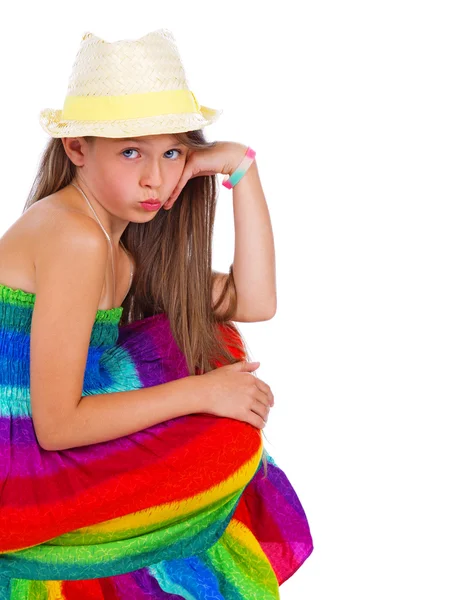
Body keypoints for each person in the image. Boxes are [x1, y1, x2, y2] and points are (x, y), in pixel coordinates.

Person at [0, 29, 313, 598]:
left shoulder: (113, 244)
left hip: (47, 436)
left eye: (171, 152)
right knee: (215, 432)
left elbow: (255, 301)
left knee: (208, 347)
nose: (154, 178)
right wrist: (203, 393)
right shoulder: (75, 238)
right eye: (130, 152)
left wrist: (241, 168)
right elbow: (56, 424)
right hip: (16, 464)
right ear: (76, 148)